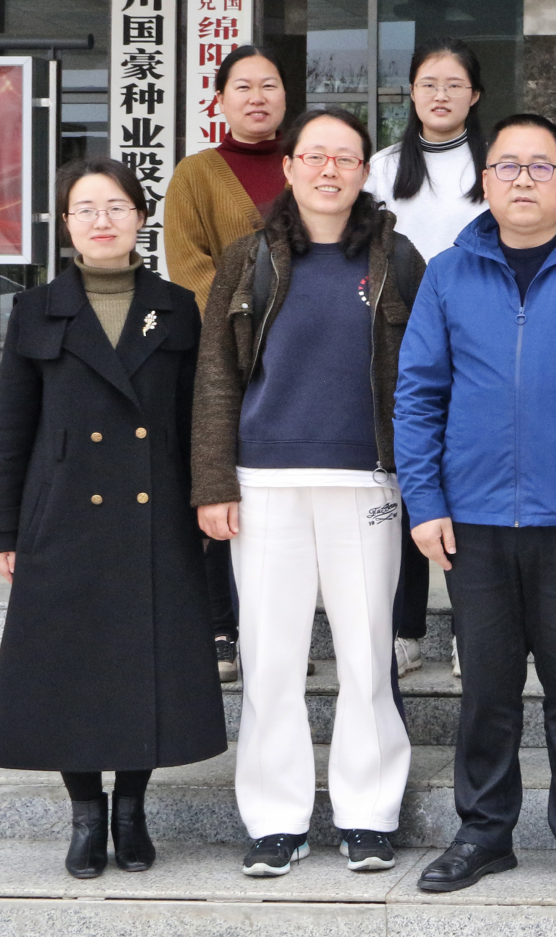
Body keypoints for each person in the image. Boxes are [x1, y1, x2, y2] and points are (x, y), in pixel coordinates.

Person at [396, 113, 556, 897]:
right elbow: (417, 394)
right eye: (507, 165)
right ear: (486, 181)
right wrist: (424, 499)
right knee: (486, 686)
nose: (522, 179)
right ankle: (484, 831)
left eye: (540, 166)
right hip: (472, 521)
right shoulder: (449, 273)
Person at [191, 107, 424, 878]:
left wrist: (423, 479)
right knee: (270, 657)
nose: (330, 170)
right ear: (289, 167)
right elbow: (216, 376)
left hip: (367, 480)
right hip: (265, 483)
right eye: (315, 156)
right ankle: (276, 820)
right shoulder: (248, 256)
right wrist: (213, 481)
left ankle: (368, 814)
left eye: (345, 157)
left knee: (367, 654)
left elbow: (426, 375)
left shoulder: (398, 257)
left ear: (365, 171)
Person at [0, 158, 224, 879]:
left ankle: (132, 810)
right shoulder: (36, 309)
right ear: (66, 224)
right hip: (61, 513)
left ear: (140, 218)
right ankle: (87, 814)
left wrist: (206, 500)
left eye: (116, 207)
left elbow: (198, 418)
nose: (101, 220)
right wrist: (3, 528)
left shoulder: (176, 306)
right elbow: (11, 429)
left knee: (143, 661)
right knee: (70, 666)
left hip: (155, 513)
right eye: (85, 208)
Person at [163, 43, 288, 684]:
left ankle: (281, 631)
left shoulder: (307, 165)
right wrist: (251, 317)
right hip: (222, 354)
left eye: (269, 85)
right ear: (220, 101)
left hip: (298, 359)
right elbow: (187, 267)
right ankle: (221, 627)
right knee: (219, 483)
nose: (257, 97)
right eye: (243, 86)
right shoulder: (195, 174)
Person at [364, 36, 487, 680]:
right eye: (428, 84)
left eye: (453, 84)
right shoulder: (383, 168)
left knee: (467, 486)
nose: (440, 95)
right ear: (411, 93)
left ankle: (474, 631)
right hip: (398, 337)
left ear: (475, 94)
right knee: (408, 481)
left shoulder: (495, 163)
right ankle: (405, 628)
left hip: (478, 338)